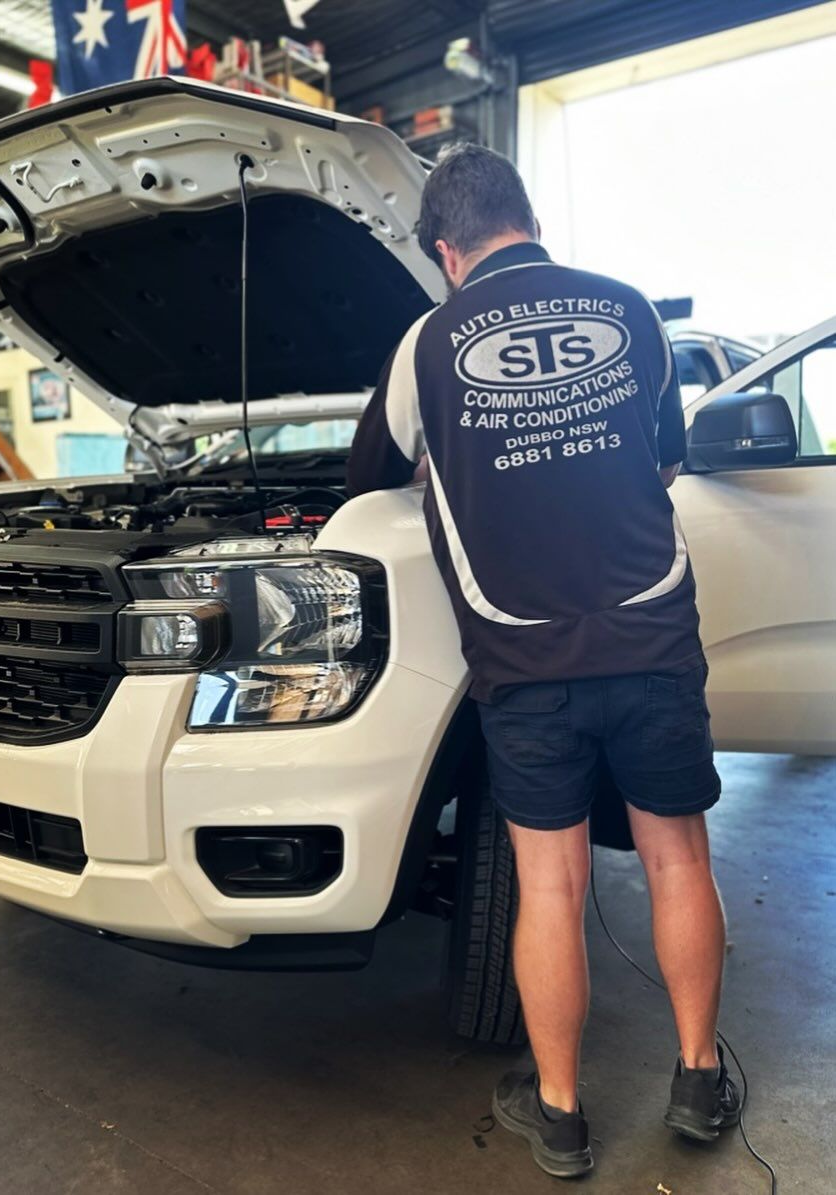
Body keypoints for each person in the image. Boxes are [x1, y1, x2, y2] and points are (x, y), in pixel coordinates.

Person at [346, 144, 739, 1179]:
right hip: (649, 635)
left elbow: (369, 477)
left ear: (445, 251)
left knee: (550, 885)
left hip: (521, 659)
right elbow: (664, 460)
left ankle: (560, 1113)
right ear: (527, 218)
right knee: (678, 858)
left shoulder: (425, 343)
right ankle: (699, 1079)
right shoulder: (631, 311)